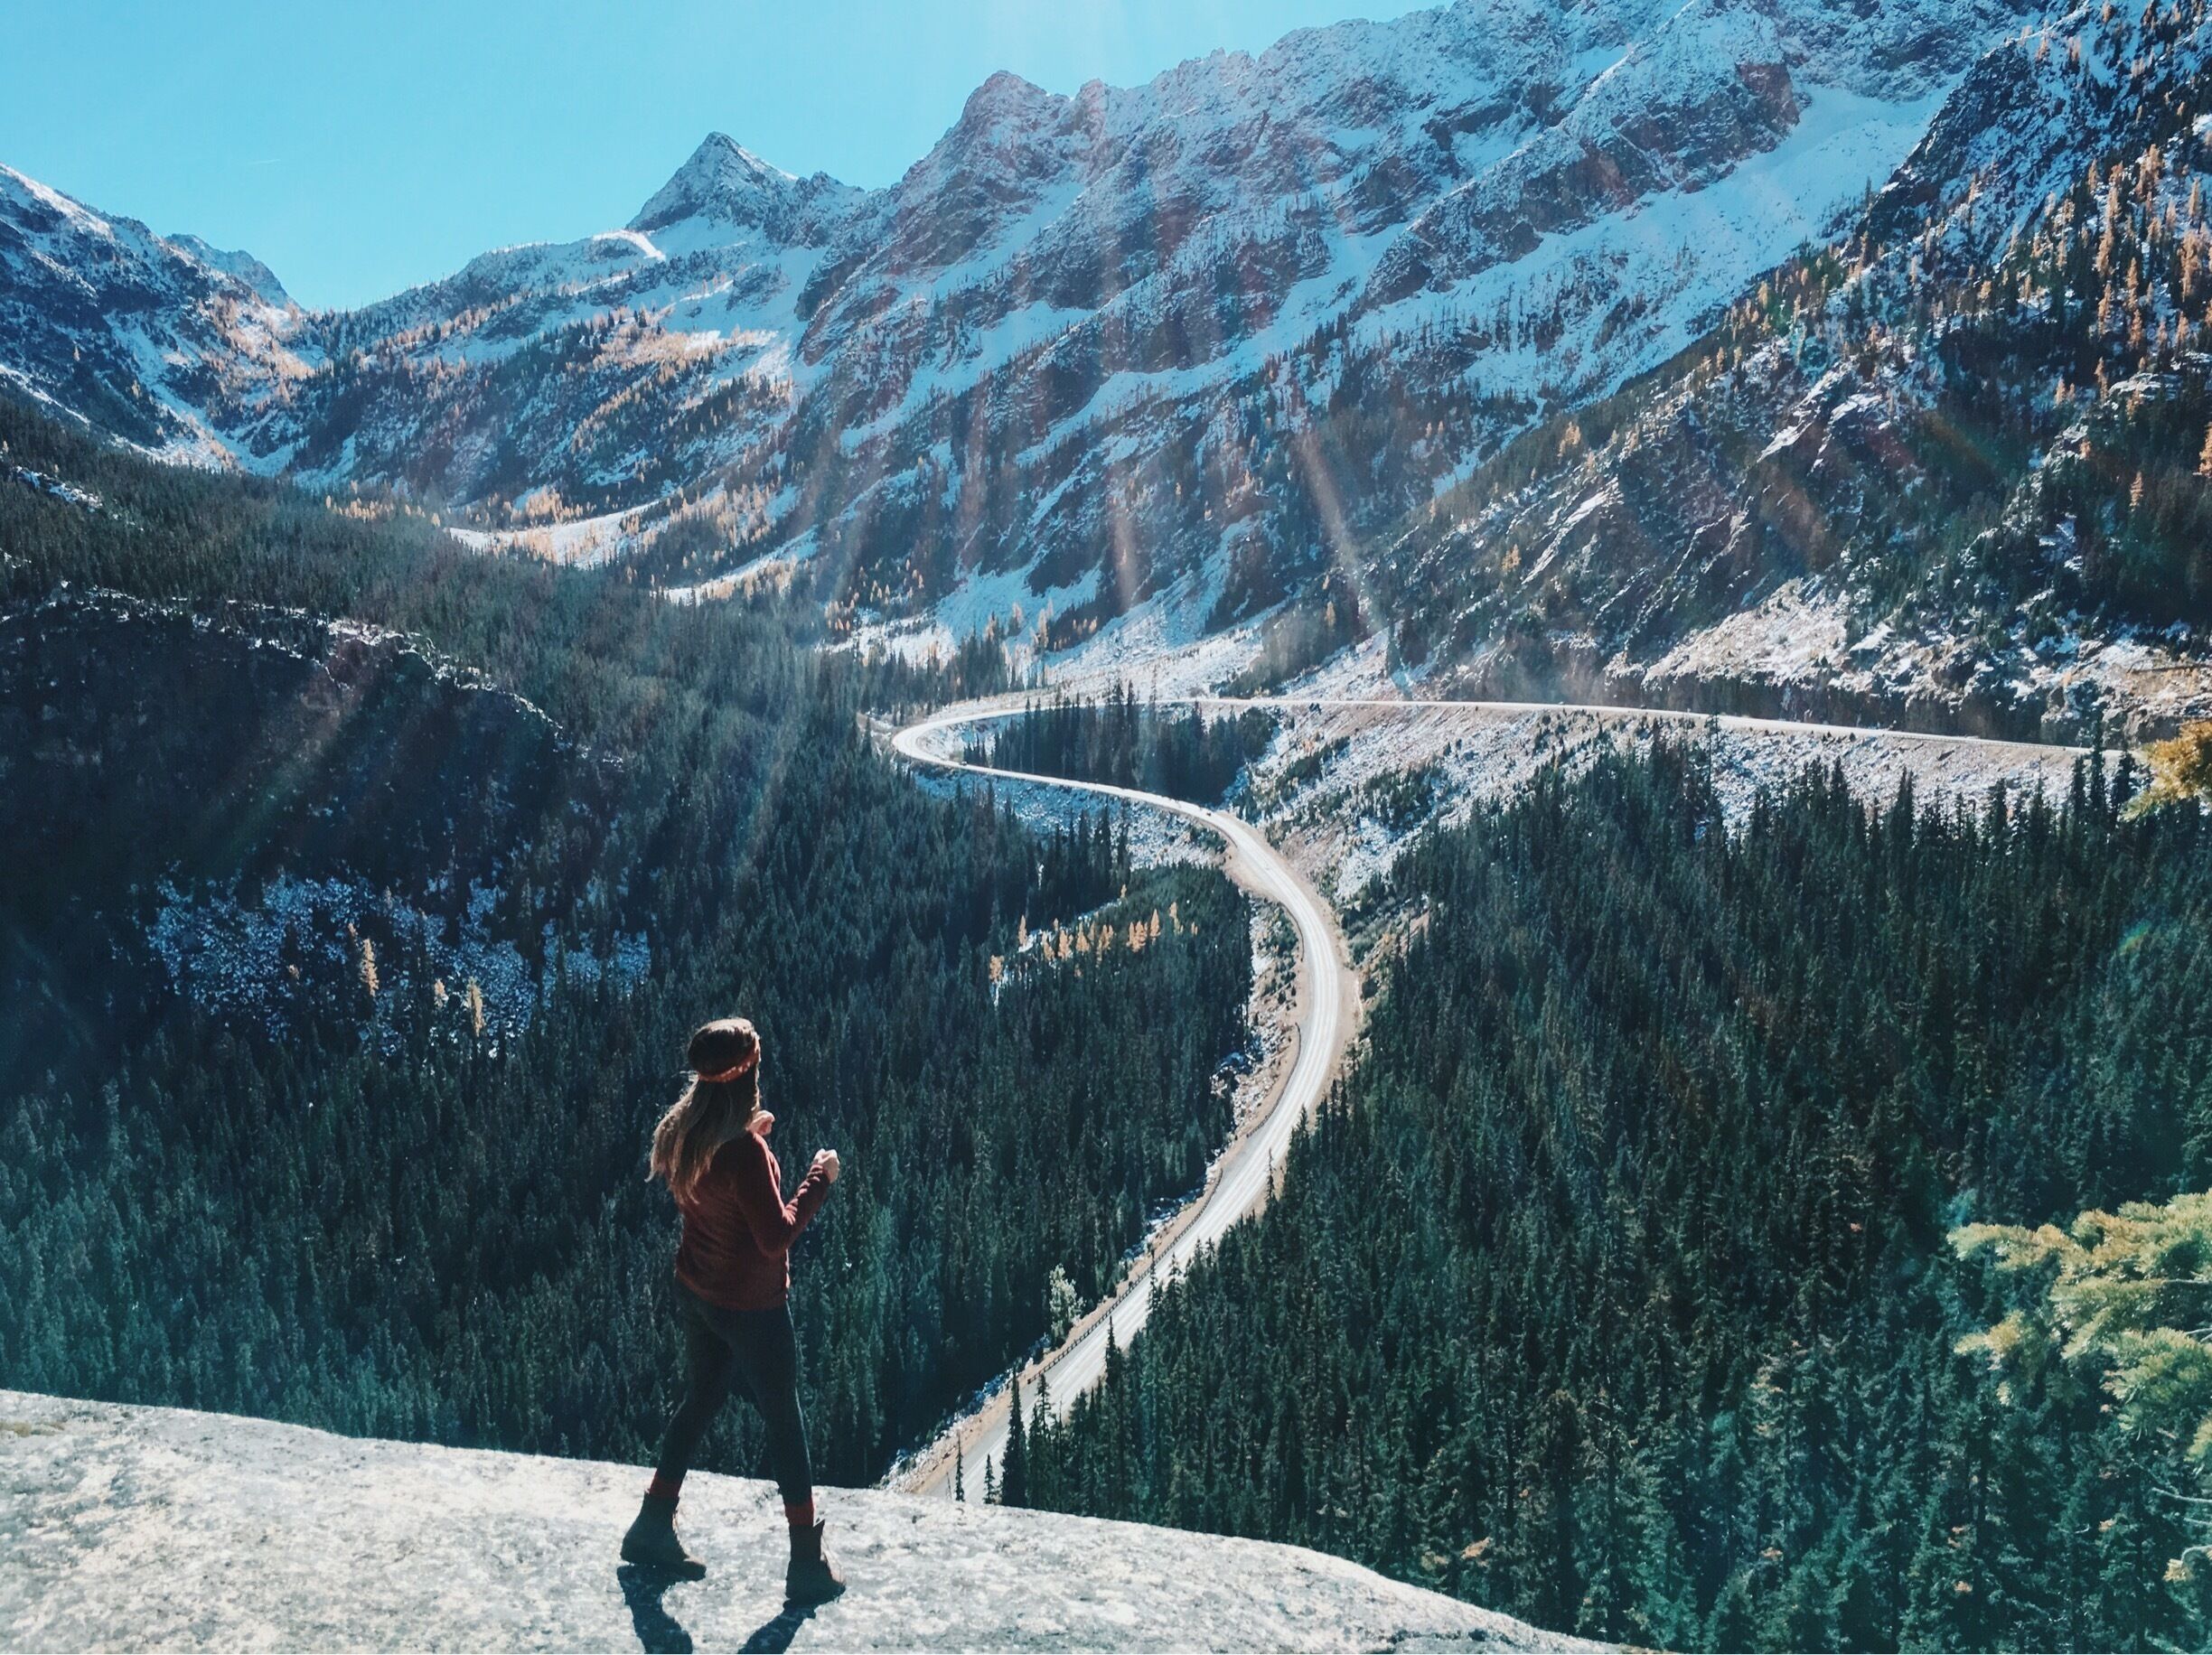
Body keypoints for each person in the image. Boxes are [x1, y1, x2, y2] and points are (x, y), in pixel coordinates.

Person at [622, 1017, 845, 1604]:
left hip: (701, 1293)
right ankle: (806, 1564)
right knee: (783, 1419)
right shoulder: (744, 1153)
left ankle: (652, 1522)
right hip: (752, 1305)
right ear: (746, 1076)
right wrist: (817, 1179)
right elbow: (776, 1236)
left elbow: (719, 1184)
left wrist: (752, 1138)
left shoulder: (684, 1128)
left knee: (702, 1397)